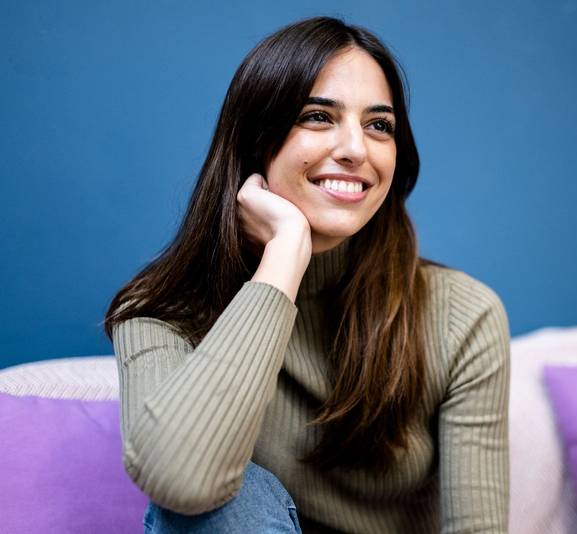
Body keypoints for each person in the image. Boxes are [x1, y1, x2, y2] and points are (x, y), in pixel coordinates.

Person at [105, 16, 510, 534]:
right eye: (318, 116)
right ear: (256, 141)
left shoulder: (463, 315)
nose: (355, 150)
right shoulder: (162, 310)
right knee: (227, 498)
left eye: (378, 125)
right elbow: (182, 482)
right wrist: (285, 256)